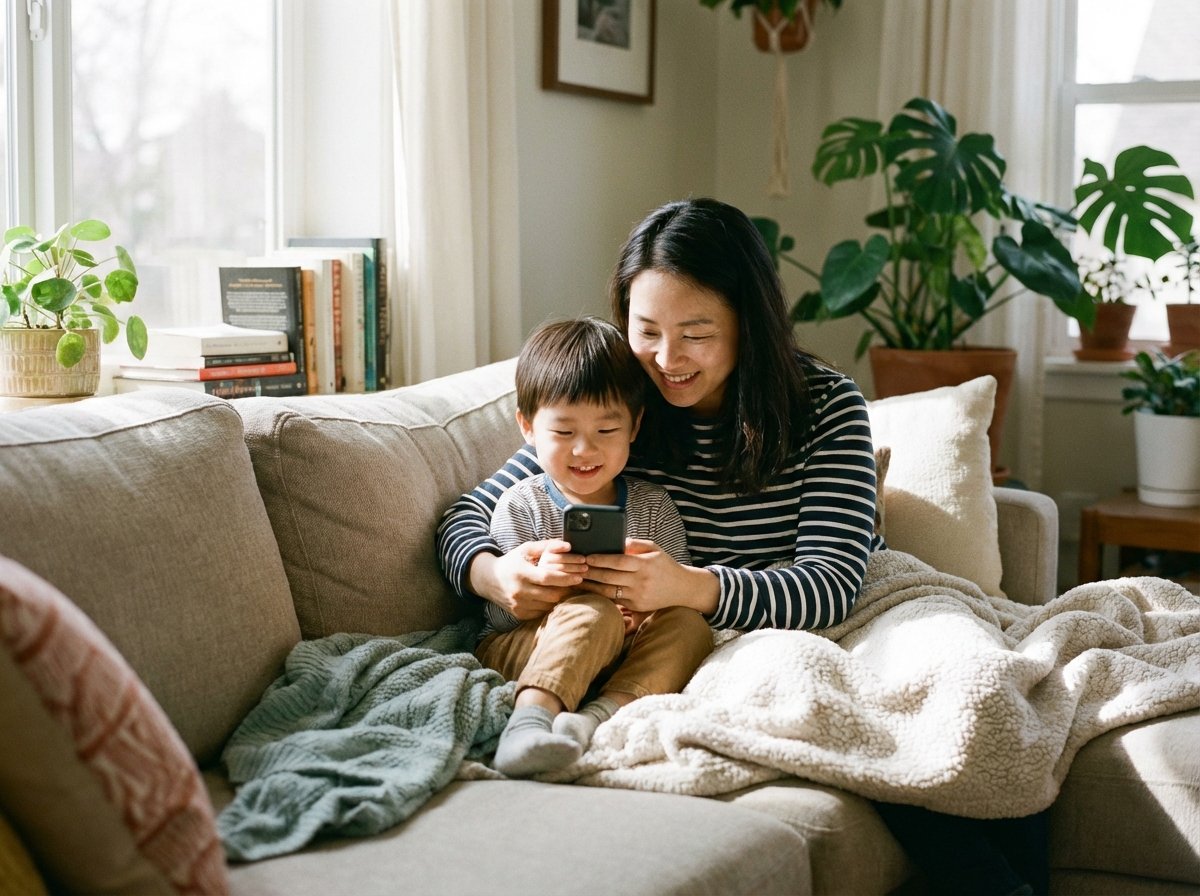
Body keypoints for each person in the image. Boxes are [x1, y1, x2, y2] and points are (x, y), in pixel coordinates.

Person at [437, 198, 1044, 895]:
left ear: (746, 326)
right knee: (819, 698)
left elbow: (833, 579)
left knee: (971, 684)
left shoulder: (823, 406)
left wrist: (688, 585)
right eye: (648, 331)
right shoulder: (617, 413)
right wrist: (493, 574)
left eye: (696, 333)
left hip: (833, 608)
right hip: (713, 638)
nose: (668, 358)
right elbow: (468, 514)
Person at [478, 315, 713, 778]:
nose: (584, 450)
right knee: (593, 613)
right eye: (564, 433)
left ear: (634, 427)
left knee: (690, 626)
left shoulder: (653, 507)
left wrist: (647, 609)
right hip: (529, 648)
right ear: (527, 427)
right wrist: (543, 593)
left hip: (620, 653)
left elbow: (675, 595)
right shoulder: (520, 504)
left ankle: (592, 718)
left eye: (605, 431)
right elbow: (500, 616)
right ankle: (529, 722)